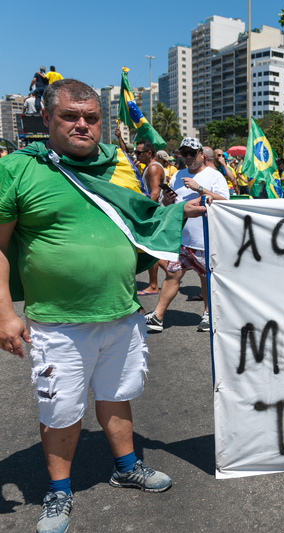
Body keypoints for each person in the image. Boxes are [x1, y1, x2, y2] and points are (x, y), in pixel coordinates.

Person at [0, 79, 205, 533]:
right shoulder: (17, 168)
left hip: (122, 313)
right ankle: (57, 492)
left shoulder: (119, 166)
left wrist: (184, 211)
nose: (81, 125)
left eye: (91, 118)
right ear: (48, 120)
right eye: (70, 116)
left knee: (117, 396)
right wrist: (4, 314)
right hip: (57, 323)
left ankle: (126, 466)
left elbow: (140, 216)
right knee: (60, 410)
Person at [144, 138, 229, 333]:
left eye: (192, 153)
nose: (188, 157)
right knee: (172, 274)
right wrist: (167, 199)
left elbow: (225, 200)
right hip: (182, 238)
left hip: (205, 239)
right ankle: (158, 316)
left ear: (201, 153)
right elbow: (170, 205)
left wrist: (199, 188)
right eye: (185, 153)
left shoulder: (214, 176)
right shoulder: (178, 175)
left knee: (206, 277)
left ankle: (209, 315)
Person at [135, 140, 168, 296]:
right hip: (155, 212)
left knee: (151, 250)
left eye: (138, 153)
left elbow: (154, 193)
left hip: (154, 212)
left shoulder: (154, 168)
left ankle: (154, 284)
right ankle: (172, 274)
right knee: (153, 250)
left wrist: (143, 212)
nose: (136, 155)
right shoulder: (150, 167)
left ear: (149, 153)